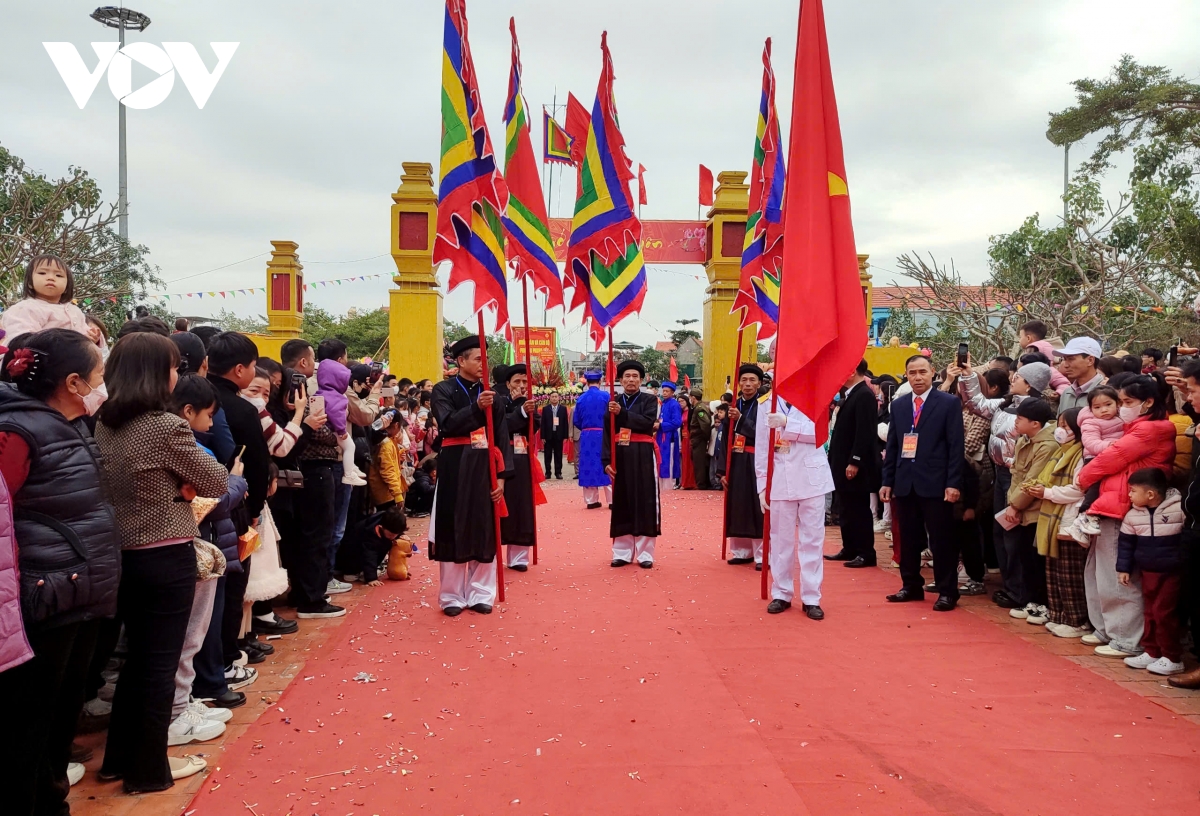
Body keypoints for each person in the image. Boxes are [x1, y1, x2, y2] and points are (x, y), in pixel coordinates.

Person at [94, 332, 228, 791]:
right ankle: (148, 770)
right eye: (173, 368)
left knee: (136, 661)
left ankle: (118, 759)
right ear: (157, 374)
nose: (178, 376)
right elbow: (215, 478)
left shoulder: (104, 422)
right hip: (164, 552)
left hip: (121, 552)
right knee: (158, 665)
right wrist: (184, 485)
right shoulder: (163, 426)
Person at [0, 329, 121, 813]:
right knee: (30, 722)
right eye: (98, 377)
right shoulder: (17, 432)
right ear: (73, 383)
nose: (102, 386)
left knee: (59, 718)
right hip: (44, 591)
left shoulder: (70, 423)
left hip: (78, 588)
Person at [1076, 374, 1176, 658]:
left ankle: (1124, 638)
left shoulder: (1151, 429)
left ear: (1148, 402)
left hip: (1124, 507)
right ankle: (1106, 629)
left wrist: (1083, 478)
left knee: (1117, 575)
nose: (1121, 408)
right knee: (1098, 571)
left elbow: (1110, 458)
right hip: (1113, 503)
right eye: (1120, 401)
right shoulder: (1138, 427)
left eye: (1127, 402)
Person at [168, 373, 240, 747]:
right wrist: (238, 481)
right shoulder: (168, 432)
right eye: (209, 416)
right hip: (173, 543)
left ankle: (183, 703)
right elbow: (216, 486)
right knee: (184, 636)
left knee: (190, 635)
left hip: (176, 541)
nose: (212, 424)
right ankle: (175, 711)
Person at [428, 336, 513, 615]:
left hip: (485, 467)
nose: (483, 365)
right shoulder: (442, 390)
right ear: (461, 361)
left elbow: (501, 438)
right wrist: (477, 408)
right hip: (454, 465)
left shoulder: (495, 397)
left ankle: (481, 593)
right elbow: (448, 425)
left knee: (483, 528)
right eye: (478, 359)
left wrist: (501, 478)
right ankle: (451, 596)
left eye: (486, 360)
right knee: (452, 527)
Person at [882, 354, 965, 612]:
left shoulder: (948, 403)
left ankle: (947, 591)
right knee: (907, 538)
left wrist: (953, 483)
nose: (917, 377)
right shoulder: (899, 405)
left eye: (922, 372)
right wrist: (888, 481)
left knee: (941, 540)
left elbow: (955, 446)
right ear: (906, 375)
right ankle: (910, 585)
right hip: (906, 482)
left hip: (936, 483)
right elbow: (893, 445)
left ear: (933, 373)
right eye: (912, 373)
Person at [755, 387, 834, 619]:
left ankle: (811, 597)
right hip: (779, 479)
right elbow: (762, 448)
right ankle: (781, 593)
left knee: (812, 540)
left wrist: (787, 422)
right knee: (780, 540)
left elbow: (820, 434)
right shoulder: (765, 403)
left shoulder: (814, 394)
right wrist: (762, 485)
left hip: (812, 478)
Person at [1024, 408, 1092, 638]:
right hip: (1053, 516)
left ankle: (1077, 620)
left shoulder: (1082, 454)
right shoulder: (1061, 452)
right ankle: (1059, 615)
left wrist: (1047, 493)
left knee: (1069, 573)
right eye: (1059, 425)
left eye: (1066, 426)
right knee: (1054, 570)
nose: (1060, 430)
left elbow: (1078, 489)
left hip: (1070, 518)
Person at [1116, 468, 1185, 675]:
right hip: (1147, 571)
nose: (1129, 495)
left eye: (1133, 491)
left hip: (1172, 571)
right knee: (1149, 611)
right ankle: (1152, 651)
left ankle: (1172, 657)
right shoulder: (1132, 516)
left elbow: (1186, 537)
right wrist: (1123, 568)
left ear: (1150, 494)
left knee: (1164, 613)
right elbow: (1125, 544)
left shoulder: (1179, 509)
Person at [1001, 398, 1059, 623]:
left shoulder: (1047, 445)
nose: (1015, 422)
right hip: (1020, 508)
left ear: (1035, 423)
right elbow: (1017, 474)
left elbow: (1032, 479)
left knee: (1036, 560)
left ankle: (1041, 604)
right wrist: (1012, 504)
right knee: (1023, 557)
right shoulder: (1025, 439)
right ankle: (1029, 600)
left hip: (1035, 510)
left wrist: (1015, 506)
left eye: (1020, 419)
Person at [602, 360, 661, 568]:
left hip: (643, 453)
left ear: (642, 380)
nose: (631, 380)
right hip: (621, 455)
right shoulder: (613, 402)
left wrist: (623, 414)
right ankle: (622, 552)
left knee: (646, 501)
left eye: (635, 376)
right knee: (622, 501)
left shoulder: (650, 400)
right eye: (627, 376)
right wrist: (607, 460)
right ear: (619, 380)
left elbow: (647, 423)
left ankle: (645, 553)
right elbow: (608, 433)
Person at [827, 359, 881, 568]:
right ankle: (849, 546)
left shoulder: (864, 396)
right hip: (841, 461)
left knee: (858, 508)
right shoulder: (849, 396)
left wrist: (855, 461)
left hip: (854, 464)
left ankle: (866, 551)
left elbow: (864, 432)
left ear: (851, 371)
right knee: (845, 506)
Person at [717, 364, 767, 568]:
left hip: (757, 460)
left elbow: (764, 434)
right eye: (744, 380)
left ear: (760, 383)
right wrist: (722, 470)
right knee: (737, 505)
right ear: (739, 383)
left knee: (757, 507)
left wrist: (742, 419)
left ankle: (763, 555)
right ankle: (741, 550)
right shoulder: (733, 406)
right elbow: (725, 440)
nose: (747, 384)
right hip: (736, 461)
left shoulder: (765, 405)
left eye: (752, 380)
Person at [500, 364, 539, 571]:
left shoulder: (529, 402)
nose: (522, 386)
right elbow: (501, 426)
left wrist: (524, 407)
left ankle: (519, 557)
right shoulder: (498, 402)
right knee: (503, 504)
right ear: (508, 384)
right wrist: (519, 410)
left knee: (522, 505)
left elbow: (536, 426)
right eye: (517, 381)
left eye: (525, 382)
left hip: (522, 457)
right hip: (502, 458)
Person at [0, 254, 91, 339]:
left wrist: (93, 338)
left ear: (67, 287)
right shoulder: (25, 308)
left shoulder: (75, 311)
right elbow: (20, 339)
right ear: (29, 283)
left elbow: (88, 338)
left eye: (58, 275)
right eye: (42, 273)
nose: (51, 278)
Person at [339, 505, 408, 586]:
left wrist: (401, 535)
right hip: (351, 556)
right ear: (381, 527)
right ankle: (353, 572)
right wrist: (371, 578)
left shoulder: (388, 523)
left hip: (359, 552)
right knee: (366, 558)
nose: (393, 537)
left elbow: (395, 529)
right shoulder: (370, 534)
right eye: (390, 534)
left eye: (395, 534)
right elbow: (369, 556)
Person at [573, 370, 612, 508]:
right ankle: (612, 500)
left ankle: (591, 500)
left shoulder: (581, 399)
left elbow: (576, 420)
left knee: (588, 465)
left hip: (587, 435)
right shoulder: (606, 396)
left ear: (587, 383)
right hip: (604, 434)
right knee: (607, 463)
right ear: (600, 382)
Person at [368, 409, 408, 510]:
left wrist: (398, 457)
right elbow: (388, 471)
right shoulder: (386, 444)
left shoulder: (386, 441)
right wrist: (397, 495)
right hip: (386, 494)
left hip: (386, 492)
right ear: (396, 425)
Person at [1054, 336, 1104, 414]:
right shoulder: (1066, 393)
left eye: (1071, 359)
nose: (1066, 365)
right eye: (1064, 359)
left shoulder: (1107, 391)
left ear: (1090, 360)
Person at [656, 381, 683, 489]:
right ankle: (661, 485)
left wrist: (661, 425)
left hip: (669, 437)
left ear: (672, 393)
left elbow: (677, 422)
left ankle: (669, 486)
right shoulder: (664, 403)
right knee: (661, 460)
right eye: (664, 391)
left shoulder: (674, 404)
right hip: (661, 435)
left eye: (667, 391)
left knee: (669, 460)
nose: (664, 393)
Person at [688, 388, 713, 489]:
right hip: (698, 438)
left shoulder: (699, 409)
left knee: (699, 463)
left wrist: (704, 436)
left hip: (699, 438)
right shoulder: (699, 407)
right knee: (698, 461)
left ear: (693, 398)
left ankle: (701, 485)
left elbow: (706, 424)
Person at [540, 391, 569, 479]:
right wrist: (542, 436)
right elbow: (543, 423)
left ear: (559, 398)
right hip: (548, 435)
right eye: (552, 396)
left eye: (556, 396)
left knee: (558, 455)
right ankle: (548, 472)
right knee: (547, 455)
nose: (554, 398)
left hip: (559, 435)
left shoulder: (563, 409)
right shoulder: (545, 409)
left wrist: (565, 436)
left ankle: (558, 472)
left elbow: (565, 423)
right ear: (550, 398)